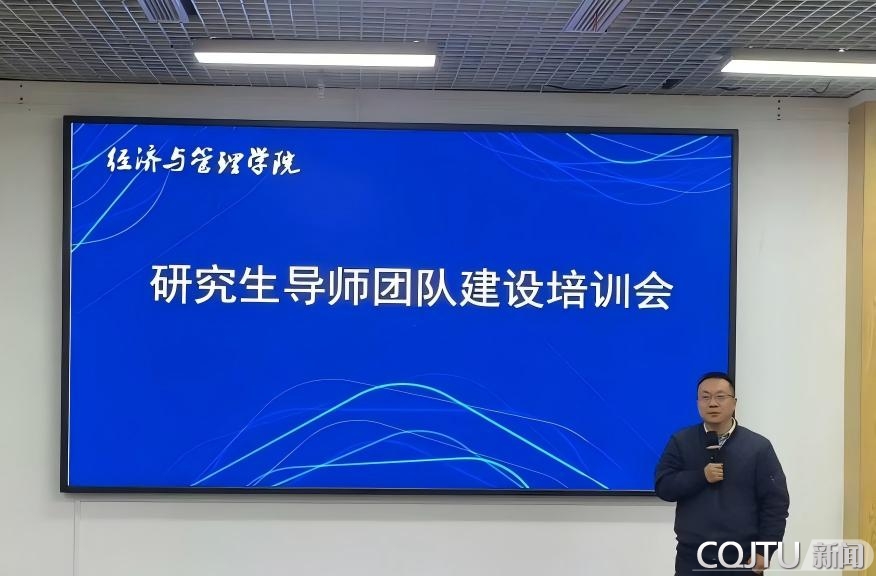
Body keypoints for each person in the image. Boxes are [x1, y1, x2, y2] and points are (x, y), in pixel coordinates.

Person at [655, 372, 790, 575]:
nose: (712, 403)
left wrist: (765, 550)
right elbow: (663, 487)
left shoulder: (758, 447)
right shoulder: (681, 441)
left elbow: (776, 503)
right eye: (705, 397)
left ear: (734, 403)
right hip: (692, 558)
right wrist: (700, 476)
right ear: (698, 403)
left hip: (743, 558)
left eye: (720, 397)